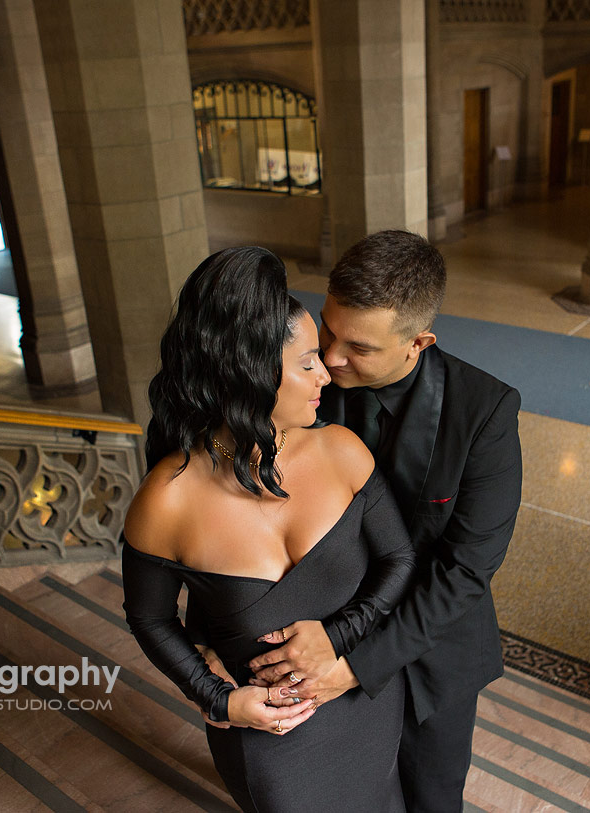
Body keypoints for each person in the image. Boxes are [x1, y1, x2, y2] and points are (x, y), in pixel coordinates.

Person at [121, 246, 416, 812]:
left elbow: (397, 561)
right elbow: (149, 616)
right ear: (252, 372)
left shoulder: (342, 451)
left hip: (367, 705)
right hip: (270, 738)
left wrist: (340, 637)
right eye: (307, 363)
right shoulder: (167, 499)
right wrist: (218, 701)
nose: (326, 373)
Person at [246, 230, 523, 812]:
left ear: (418, 341)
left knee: (430, 798)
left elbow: (465, 572)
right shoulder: (303, 382)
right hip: (317, 630)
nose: (331, 358)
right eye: (329, 330)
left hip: (428, 649)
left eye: (360, 348)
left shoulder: (486, 411)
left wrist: (352, 664)